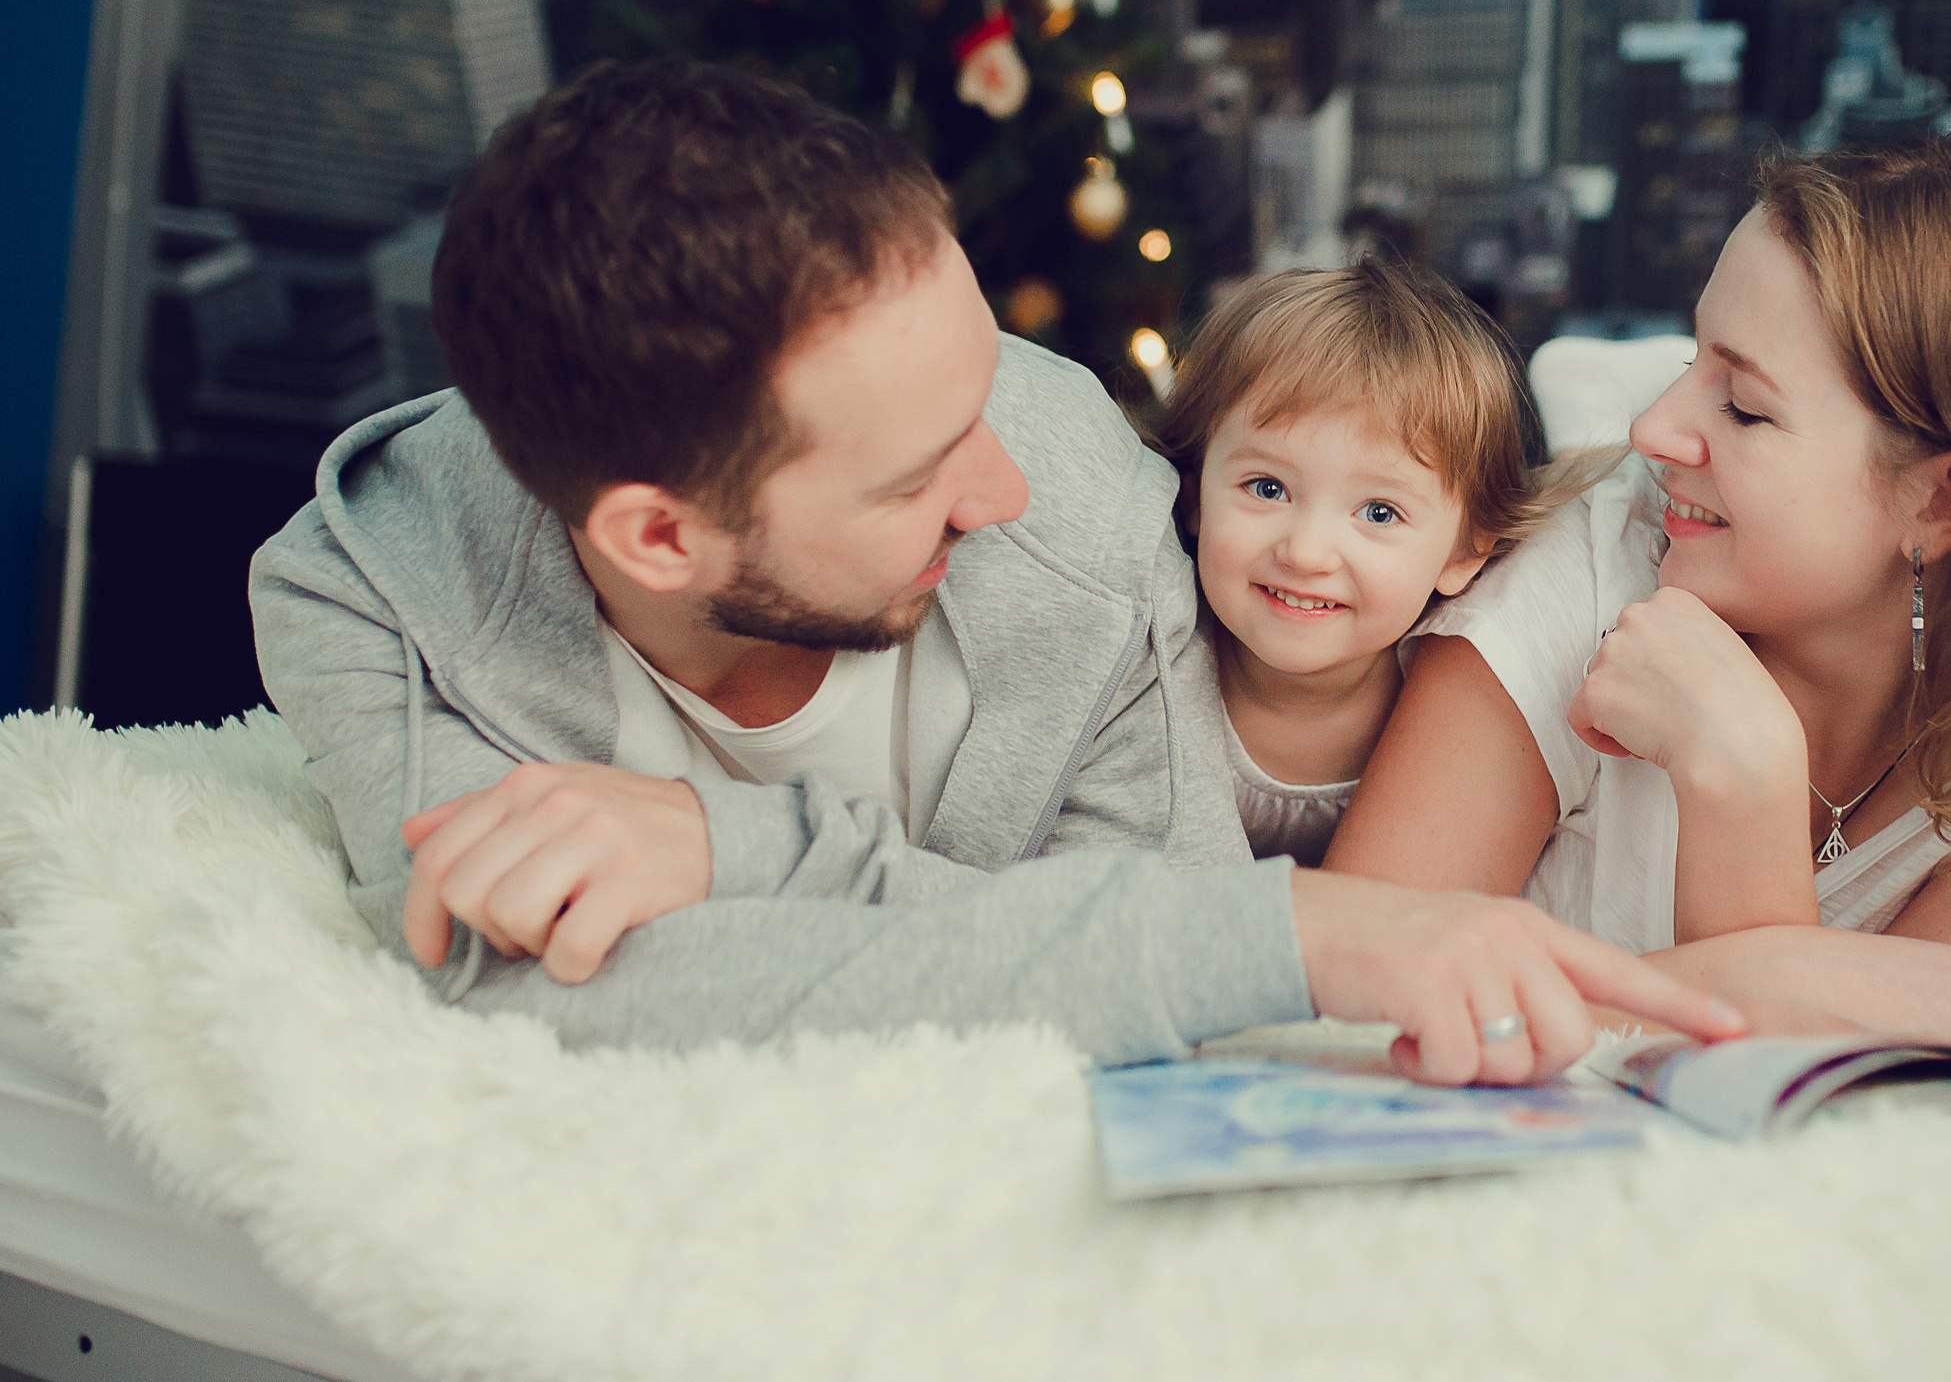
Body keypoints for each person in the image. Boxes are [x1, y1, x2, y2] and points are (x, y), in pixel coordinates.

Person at [250, 58, 1744, 1086]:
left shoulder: (1084, 494)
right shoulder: (366, 599)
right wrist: (1294, 935)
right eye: (918, 473)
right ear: (660, 535)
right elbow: (529, 993)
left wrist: (734, 853)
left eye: (983, 398)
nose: (1006, 483)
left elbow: (1162, 975)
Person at [1326, 140, 1951, 1038]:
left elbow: (1866, 1088)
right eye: (1693, 364)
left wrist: (1745, 783)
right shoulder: (1584, 569)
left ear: (1945, 498)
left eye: (1744, 407)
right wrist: (1746, 981)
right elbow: (1344, 1008)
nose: (1653, 429)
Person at [1153, 261, 1588, 866]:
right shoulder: (1150, 667)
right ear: (1196, 496)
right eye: (1267, 488)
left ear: (1464, 553)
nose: (1305, 553)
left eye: (1379, 513)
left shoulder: (1452, 714)